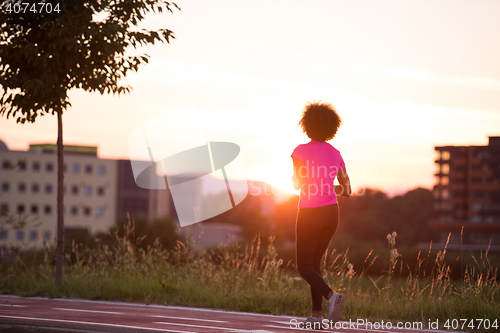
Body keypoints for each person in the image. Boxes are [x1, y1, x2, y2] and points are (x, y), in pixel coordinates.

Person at [291, 101, 351, 329]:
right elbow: (347, 190)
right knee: (314, 264)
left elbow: (297, 184)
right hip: (331, 214)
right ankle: (316, 317)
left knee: (303, 266)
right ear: (331, 128)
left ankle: (331, 296)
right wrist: (327, 187)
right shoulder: (336, 154)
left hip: (309, 213)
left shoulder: (299, 152)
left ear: (306, 124)